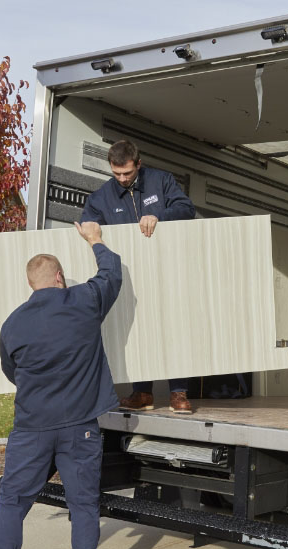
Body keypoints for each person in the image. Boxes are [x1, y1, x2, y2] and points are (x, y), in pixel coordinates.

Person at [0, 220, 120, 549]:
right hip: (79, 427)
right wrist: (95, 240)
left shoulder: (13, 323)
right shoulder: (83, 300)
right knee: (82, 507)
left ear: (32, 284)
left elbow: (11, 371)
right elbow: (112, 273)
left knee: (12, 504)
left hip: (31, 429)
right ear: (60, 277)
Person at [80, 139, 197, 414]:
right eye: (116, 173)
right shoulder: (100, 198)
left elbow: (186, 209)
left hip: (167, 271)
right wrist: (88, 226)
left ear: (139, 165)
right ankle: (142, 392)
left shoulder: (162, 181)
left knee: (173, 327)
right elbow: (88, 224)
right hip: (129, 277)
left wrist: (158, 216)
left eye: (128, 173)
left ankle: (179, 393)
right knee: (135, 330)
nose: (122, 179)